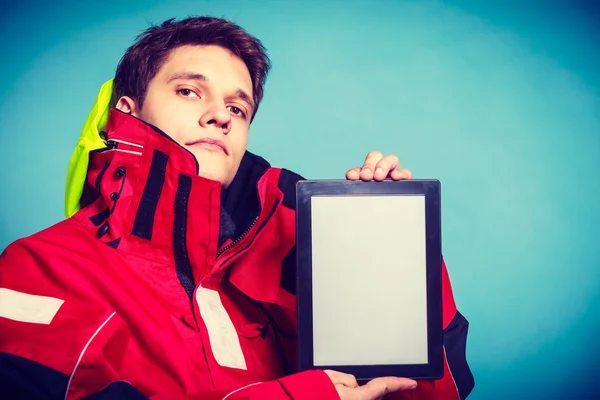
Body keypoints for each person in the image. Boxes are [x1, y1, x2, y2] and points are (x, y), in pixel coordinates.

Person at [0, 16, 474, 400]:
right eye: (189, 91)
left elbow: (415, 393)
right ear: (127, 113)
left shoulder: (288, 263)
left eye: (238, 107)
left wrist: (397, 263)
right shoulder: (36, 268)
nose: (221, 115)